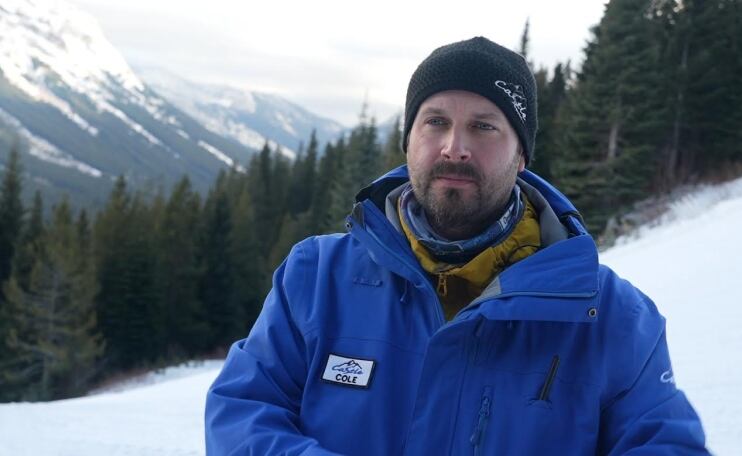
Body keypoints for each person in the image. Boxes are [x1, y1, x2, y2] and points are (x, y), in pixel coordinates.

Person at [205, 36, 708, 455]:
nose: (454, 147)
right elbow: (243, 413)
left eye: (484, 126)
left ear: (522, 156)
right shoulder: (316, 276)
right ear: (409, 140)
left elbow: (665, 444)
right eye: (436, 122)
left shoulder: (611, 316)